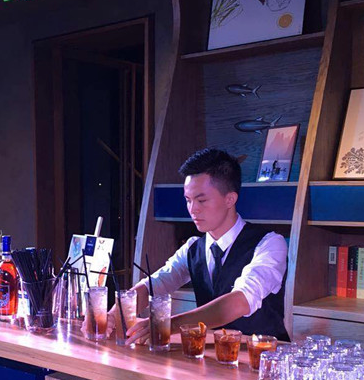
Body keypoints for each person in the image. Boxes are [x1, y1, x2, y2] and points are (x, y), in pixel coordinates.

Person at [119, 148, 289, 345]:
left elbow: (239, 302)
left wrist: (167, 324)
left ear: (230, 199)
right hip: (211, 355)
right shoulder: (193, 248)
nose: (193, 209)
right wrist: (118, 312)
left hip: (264, 355)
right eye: (188, 200)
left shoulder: (269, 244)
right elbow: (157, 283)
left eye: (201, 200)